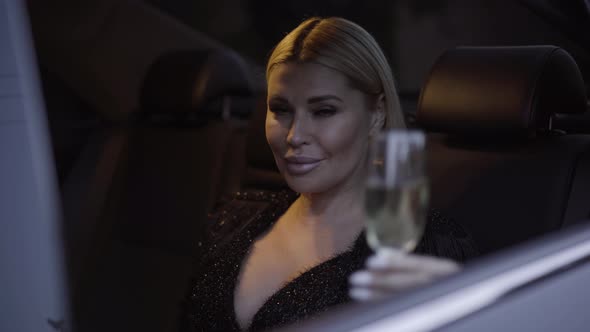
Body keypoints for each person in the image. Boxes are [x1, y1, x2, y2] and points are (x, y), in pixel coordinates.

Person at [181, 17, 478, 332]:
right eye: (280, 110)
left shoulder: (427, 247)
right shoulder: (233, 218)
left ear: (375, 115)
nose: (295, 135)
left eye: (323, 111)